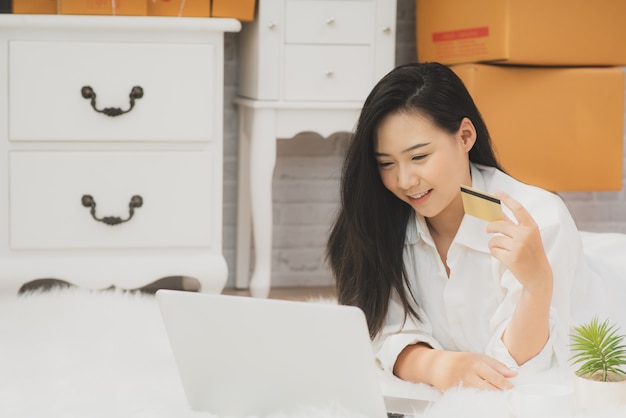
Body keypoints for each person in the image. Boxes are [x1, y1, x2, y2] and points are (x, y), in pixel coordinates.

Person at [326, 61, 615, 392]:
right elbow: (380, 333)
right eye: (386, 164)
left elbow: (523, 373)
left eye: (419, 157)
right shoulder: (382, 220)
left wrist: (536, 286)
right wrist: (441, 365)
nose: (404, 181)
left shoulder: (539, 221)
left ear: (464, 136)